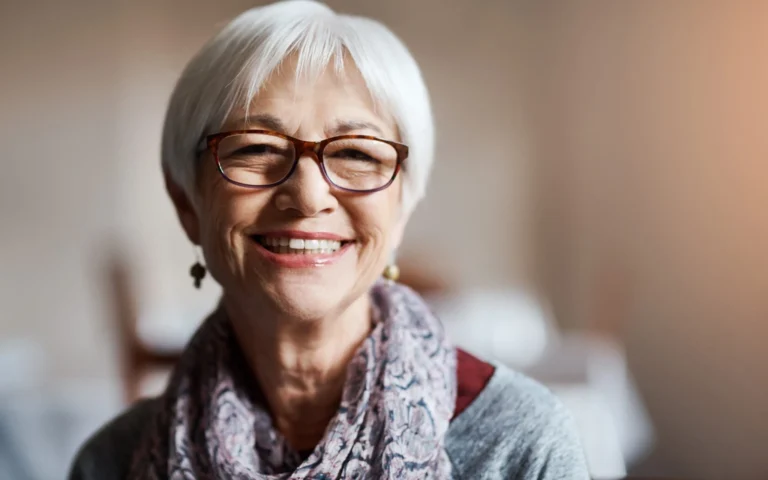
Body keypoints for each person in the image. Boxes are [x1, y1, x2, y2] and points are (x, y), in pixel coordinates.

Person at [68, 1, 589, 478]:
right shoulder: (112, 462)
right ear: (186, 201)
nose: (308, 195)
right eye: (256, 148)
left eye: (356, 153)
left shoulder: (518, 444)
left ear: (402, 208)